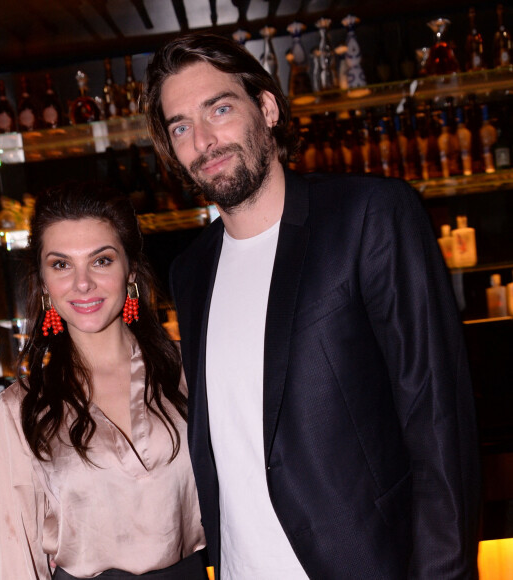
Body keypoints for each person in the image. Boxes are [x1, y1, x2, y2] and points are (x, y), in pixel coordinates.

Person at [142, 33, 481, 579]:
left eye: (220, 108)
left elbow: (436, 418)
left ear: (268, 107)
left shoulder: (369, 216)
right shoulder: (191, 269)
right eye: (181, 126)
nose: (204, 139)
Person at [0, 181, 207, 580]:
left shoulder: (191, 369)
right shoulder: (20, 408)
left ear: (131, 272)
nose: (82, 283)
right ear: (43, 285)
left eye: (101, 260)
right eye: (61, 265)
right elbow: (13, 553)